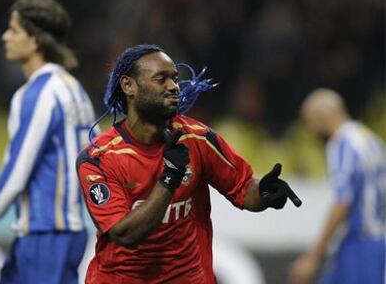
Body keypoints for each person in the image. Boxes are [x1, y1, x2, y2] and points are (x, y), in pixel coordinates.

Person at [76, 44, 302, 283]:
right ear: (128, 85)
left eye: (174, 78)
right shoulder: (98, 159)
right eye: (160, 79)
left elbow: (244, 189)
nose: (173, 86)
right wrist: (169, 179)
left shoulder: (197, 138)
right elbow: (125, 234)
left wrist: (265, 194)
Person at [0, 0, 97, 283]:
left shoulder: (38, 94)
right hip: (68, 233)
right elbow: (97, 158)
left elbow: (16, 175)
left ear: (36, 39)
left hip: (44, 236)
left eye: (14, 30)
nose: (5, 37)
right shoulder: (75, 90)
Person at [290, 88, 386, 284]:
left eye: (310, 121)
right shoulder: (371, 140)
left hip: (360, 242)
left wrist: (314, 255)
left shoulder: (342, 144)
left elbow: (343, 200)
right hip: (376, 239)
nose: (311, 129)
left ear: (321, 117)